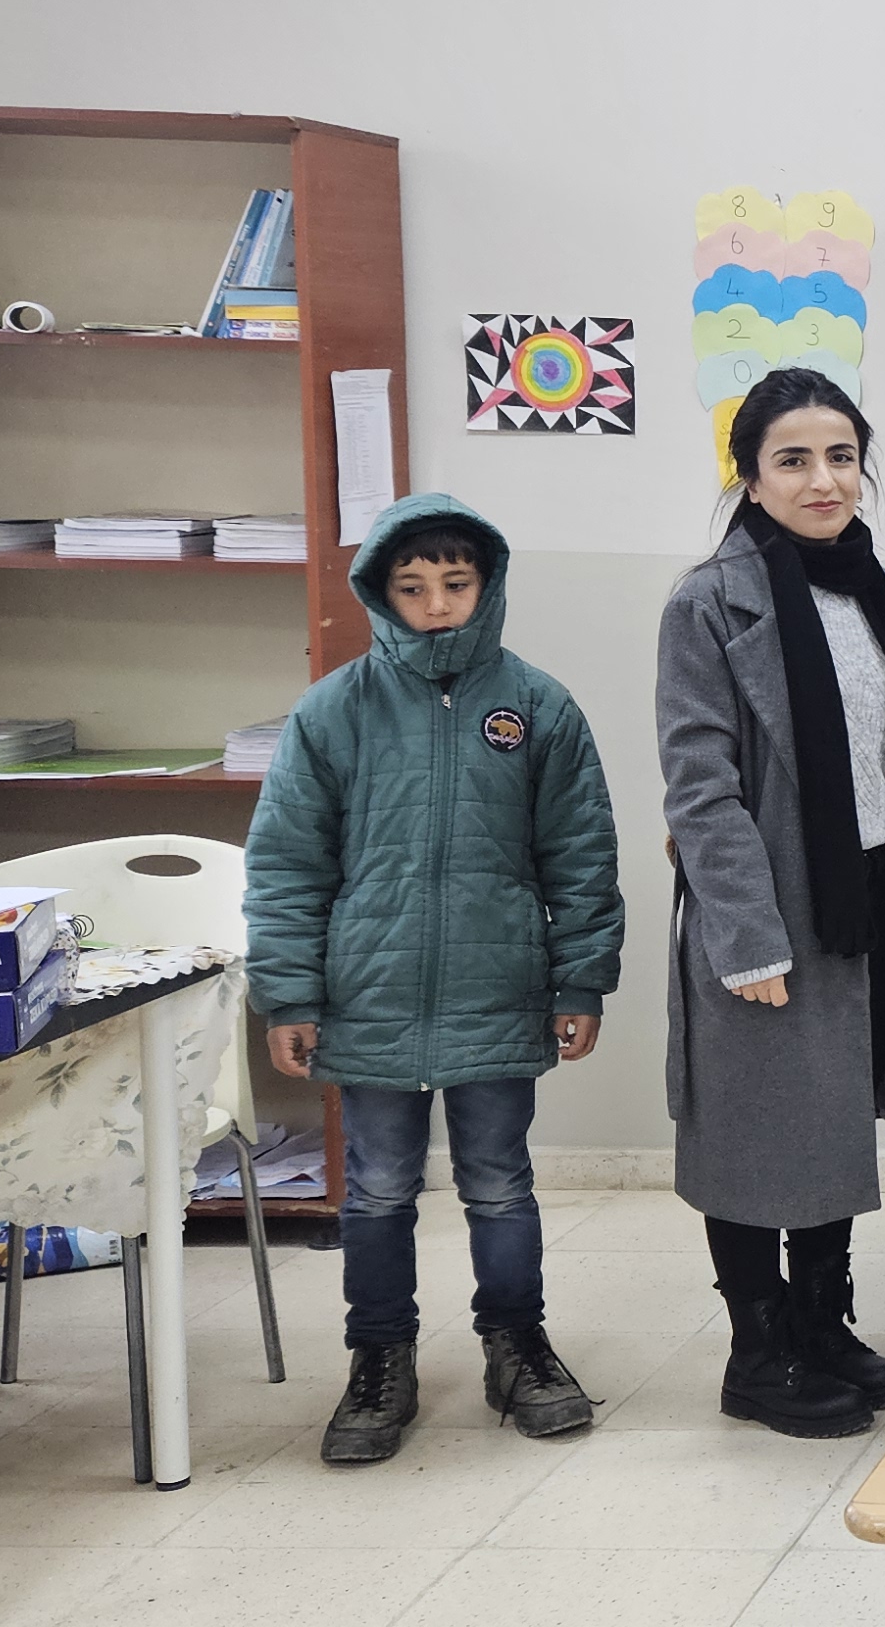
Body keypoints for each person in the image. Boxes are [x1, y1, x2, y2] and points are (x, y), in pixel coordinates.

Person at [244, 493, 621, 1466]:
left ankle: (516, 1345)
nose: (437, 603)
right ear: (382, 594)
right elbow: (287, 862)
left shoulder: (536, 705)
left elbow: (580, 854)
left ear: (486, 585)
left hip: (498, 989)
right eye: (414, 587)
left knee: (499, 1184)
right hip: (367, 997)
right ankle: (379, 1358)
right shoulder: (334, 710)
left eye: (456, 584)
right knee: (375, 1191)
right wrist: (289, 993)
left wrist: (580, 980)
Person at [654, 368, 885, 1440]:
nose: (823, 479)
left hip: (865, 890)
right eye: (793, 459)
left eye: (841, 456)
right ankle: (757, 1353)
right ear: (750, 473)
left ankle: (820, 1321)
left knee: (828, 1118)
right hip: (771, 905)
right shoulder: (708, 600)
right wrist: (745, 935)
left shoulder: (863, 584)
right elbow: (698, 781)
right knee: (754, 1130)